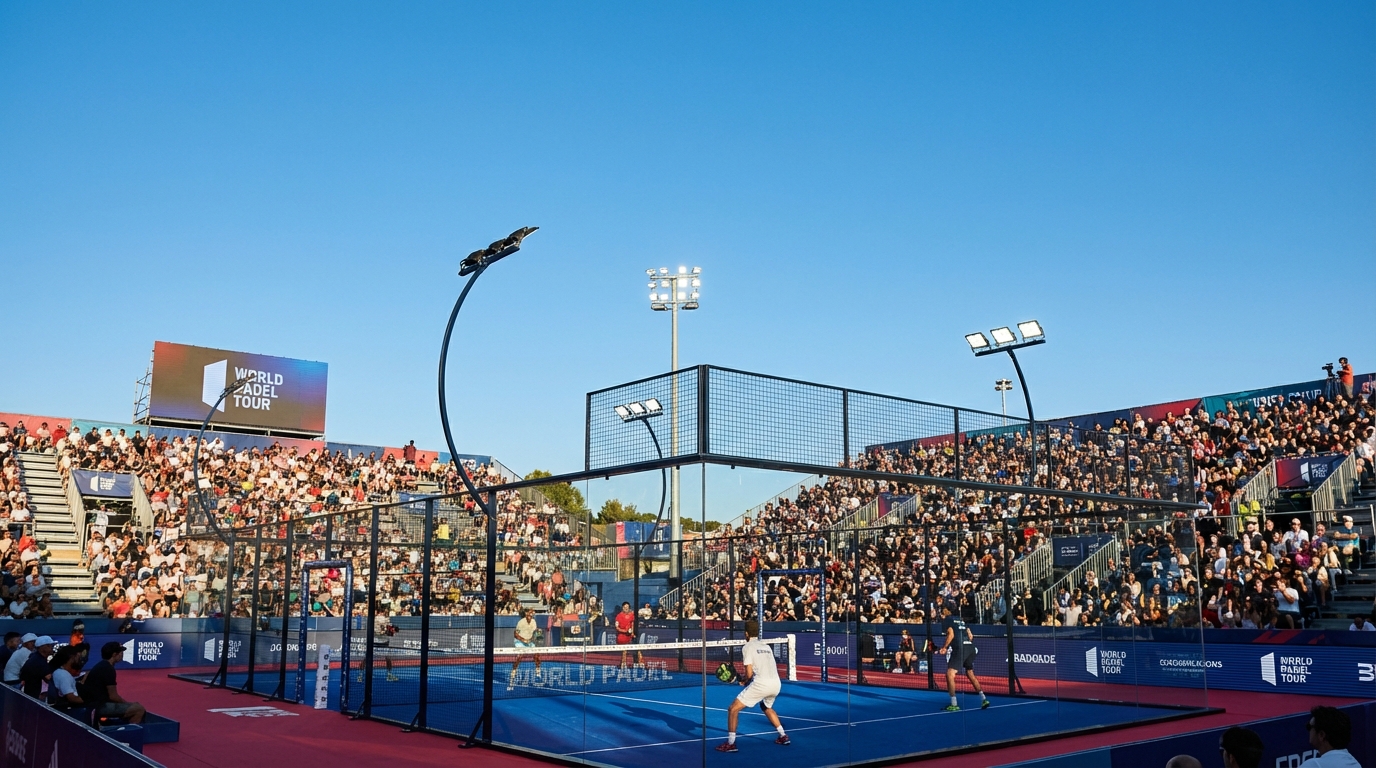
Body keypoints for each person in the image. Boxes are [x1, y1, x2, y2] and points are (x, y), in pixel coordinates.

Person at [715, 620, 788, 752]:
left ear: (746, 634)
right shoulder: (766, 646)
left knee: (732, 709)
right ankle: (783, 735)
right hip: (776, 684)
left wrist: (743, 681)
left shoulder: (747, 647)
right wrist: (748, 680)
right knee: (765, 706)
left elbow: (749, 673)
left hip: (762, 684)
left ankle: (731, 744)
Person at [937, 602, 988, 711]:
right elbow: (970, 635)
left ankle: (954, 704)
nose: (941, 611)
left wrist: (944, 647)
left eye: (943, 609)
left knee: (950, 674)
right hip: (970, 648)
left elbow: (951, 634)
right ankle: (983, 699)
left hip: (961, 649)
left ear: (946, 610)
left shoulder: (947, 620)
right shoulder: (960, 620)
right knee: (970, 674)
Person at [81, 642, 146, 724]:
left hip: (93, 703)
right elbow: (113, 696)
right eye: (121, 652)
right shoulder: (108, 669)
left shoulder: (102, 665)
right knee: (139, 709)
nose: (122, 655)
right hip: (98, 706)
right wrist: (128, 704)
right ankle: (129, 733)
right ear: (114, 654)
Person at [47, 646, 85, 713]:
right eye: (78, 657)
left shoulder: (62, 672)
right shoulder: (63, 675)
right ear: (72, 657)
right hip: (69, 710)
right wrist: (90, 700)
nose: (79, 660)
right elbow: (72, 698)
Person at [511, 607, 542, 681]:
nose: (530, 615)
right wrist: (523, 640)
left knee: (536, 655)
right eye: (529, 613)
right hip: (519, 641)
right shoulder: (521, 622)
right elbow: (515, 634)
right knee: (519, 656)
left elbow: (535, 632)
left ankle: (538, 671)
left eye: (531, 613)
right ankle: (514, 671)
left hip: (529, 641)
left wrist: (538, 633)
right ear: (526, 614)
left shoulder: (534, 622)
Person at [374, 604, 398, 682]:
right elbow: (381, 631)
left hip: (378, 641)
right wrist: (389, 631)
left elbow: (391, 630)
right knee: (388, 658)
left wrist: (392, 630)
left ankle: (361, 675)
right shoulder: (383, 619)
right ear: (381, 612)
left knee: (367, 658)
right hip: (380, 641)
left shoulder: (378, 619)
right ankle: (389, 675)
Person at [615, 602, 641, 668]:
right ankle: (623, 665)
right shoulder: (619, 616)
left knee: (637, 650)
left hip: (630, 636)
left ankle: (639, 663)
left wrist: (632, 633)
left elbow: (632, 624)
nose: (626, 608)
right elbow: (617, 627)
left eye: (627, 607)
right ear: (622, 608)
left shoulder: (631, 615)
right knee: (624, 651)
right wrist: (624, 631)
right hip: (621, 637)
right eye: (625, 607)